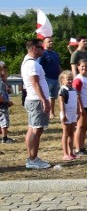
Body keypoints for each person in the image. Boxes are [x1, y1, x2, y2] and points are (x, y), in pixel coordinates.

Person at [21, 39, 51, 169]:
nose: (43, 50)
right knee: (36, 130)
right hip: (36, 100)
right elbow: (35, 83)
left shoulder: (29, 62)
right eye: (41, 48)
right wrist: (44, 99)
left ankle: (32, 157)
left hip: (33, 99)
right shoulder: (32, 64)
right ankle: (33, 159)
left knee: (32, 129)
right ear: (34, 48)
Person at [72, 60, 87, 156]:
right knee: (80, 127)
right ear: (78, 67)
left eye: (86, 66)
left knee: (85, 127)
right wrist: (80, 107)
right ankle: (77, 148)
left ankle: (82, 147)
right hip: (83, 106)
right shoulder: (78, 79)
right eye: (82, 66)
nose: (84, 68)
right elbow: (76, 94)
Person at [58, 70, 80, 161]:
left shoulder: (74, 90)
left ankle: (71, 152)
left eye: (71, 79)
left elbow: (77, 102)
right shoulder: (63, 90)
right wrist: (63, 114)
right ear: (62, 80)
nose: (70, 81)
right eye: (68, 79)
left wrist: (78, 111)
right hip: (66, 113)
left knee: (71, 133)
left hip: (73, 113)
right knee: (66, 133)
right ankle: (65, 153)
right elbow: (61, 103)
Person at [39, 36, 62, 118]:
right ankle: (45, 112)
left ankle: (52, 113)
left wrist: (62, 74)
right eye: (49, 41)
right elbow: (39, 66)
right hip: (47, 78)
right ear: (44, 43)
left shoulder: (55, 53)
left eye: (52, 41)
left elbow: (58, 65)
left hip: (56, 78)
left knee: (53, 97)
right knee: (46, 96)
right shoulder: (43, 53)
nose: (51, 43)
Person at [0, 61, 13, 144]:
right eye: (4, 71)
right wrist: (7, 102)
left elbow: (9, 91)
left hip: (2, 104)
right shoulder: (0, 83)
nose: (6, 73)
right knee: (4, 121)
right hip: (2, 105)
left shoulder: (3, 82)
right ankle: (4, 138)